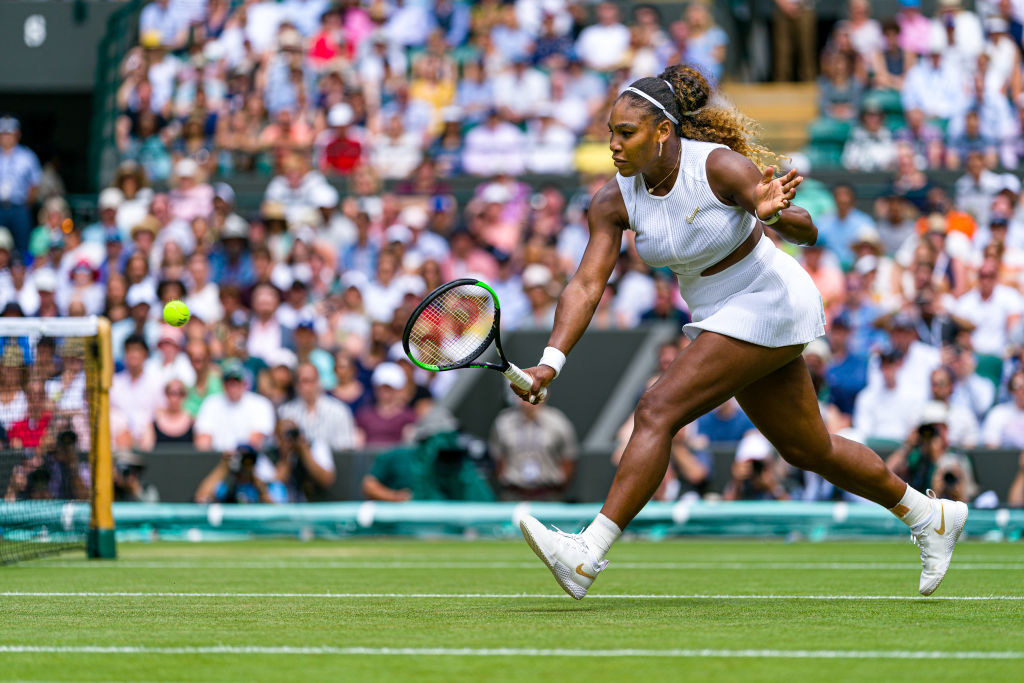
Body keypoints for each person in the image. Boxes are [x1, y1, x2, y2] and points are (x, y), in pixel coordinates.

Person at [515, 65, 967, 601]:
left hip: (769, 299)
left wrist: (775, 213)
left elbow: (807, 229)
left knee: (657, 410)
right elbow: (587, 284)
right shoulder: (613, 200)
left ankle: (588, 552)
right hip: (720, 313)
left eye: (626, 133)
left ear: (663, 132)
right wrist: (552, 360)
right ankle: (930, 515)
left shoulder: (719, 168)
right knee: (807, 448)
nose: (613, 144)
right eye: (610, 132)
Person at [489, 396, 578, 501]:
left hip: (548, 496)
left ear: (545, 393)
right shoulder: (503, 422)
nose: (528, 396)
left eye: (533, 390)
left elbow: (568, 460)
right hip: (513, 496)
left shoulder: (558, 422)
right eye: (523, 390)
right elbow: (498, 460)